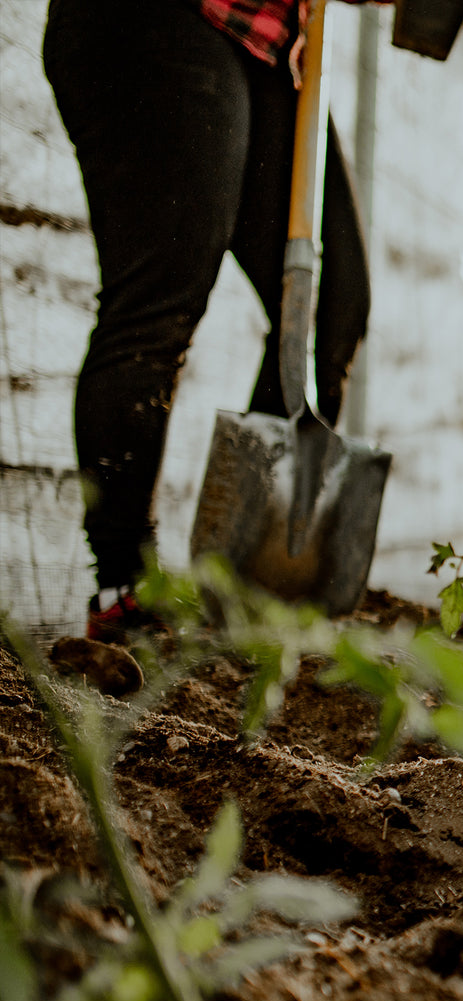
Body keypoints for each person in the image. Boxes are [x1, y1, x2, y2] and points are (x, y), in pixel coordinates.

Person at [42, 0, 373, 642]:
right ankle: (124, 590)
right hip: (161, 21)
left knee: (331, 303)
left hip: (267, 45)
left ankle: (247, 592)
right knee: (160, 298)